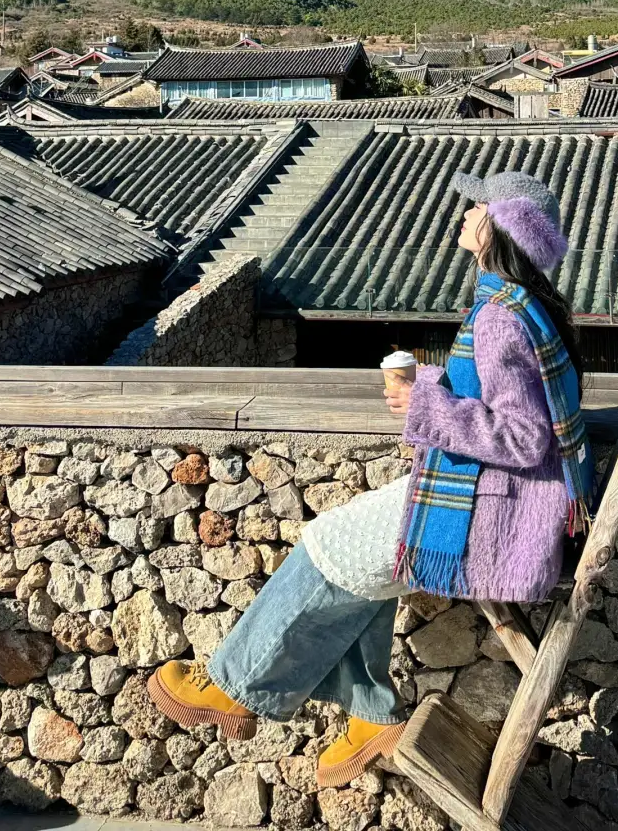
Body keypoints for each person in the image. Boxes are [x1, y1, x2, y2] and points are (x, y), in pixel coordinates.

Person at [147, 170, 593, 789]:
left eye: (478, 207)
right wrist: (430, 388)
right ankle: (369, 715)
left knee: (329, 545)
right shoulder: (522, 304)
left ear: (501, 225)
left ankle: (236, 686)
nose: (466, 213)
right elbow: (507, 410)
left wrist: (423, 403)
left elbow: (522, 436)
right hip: (502, 496)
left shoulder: (499, 317)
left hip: (498, 515)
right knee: (349, 543)